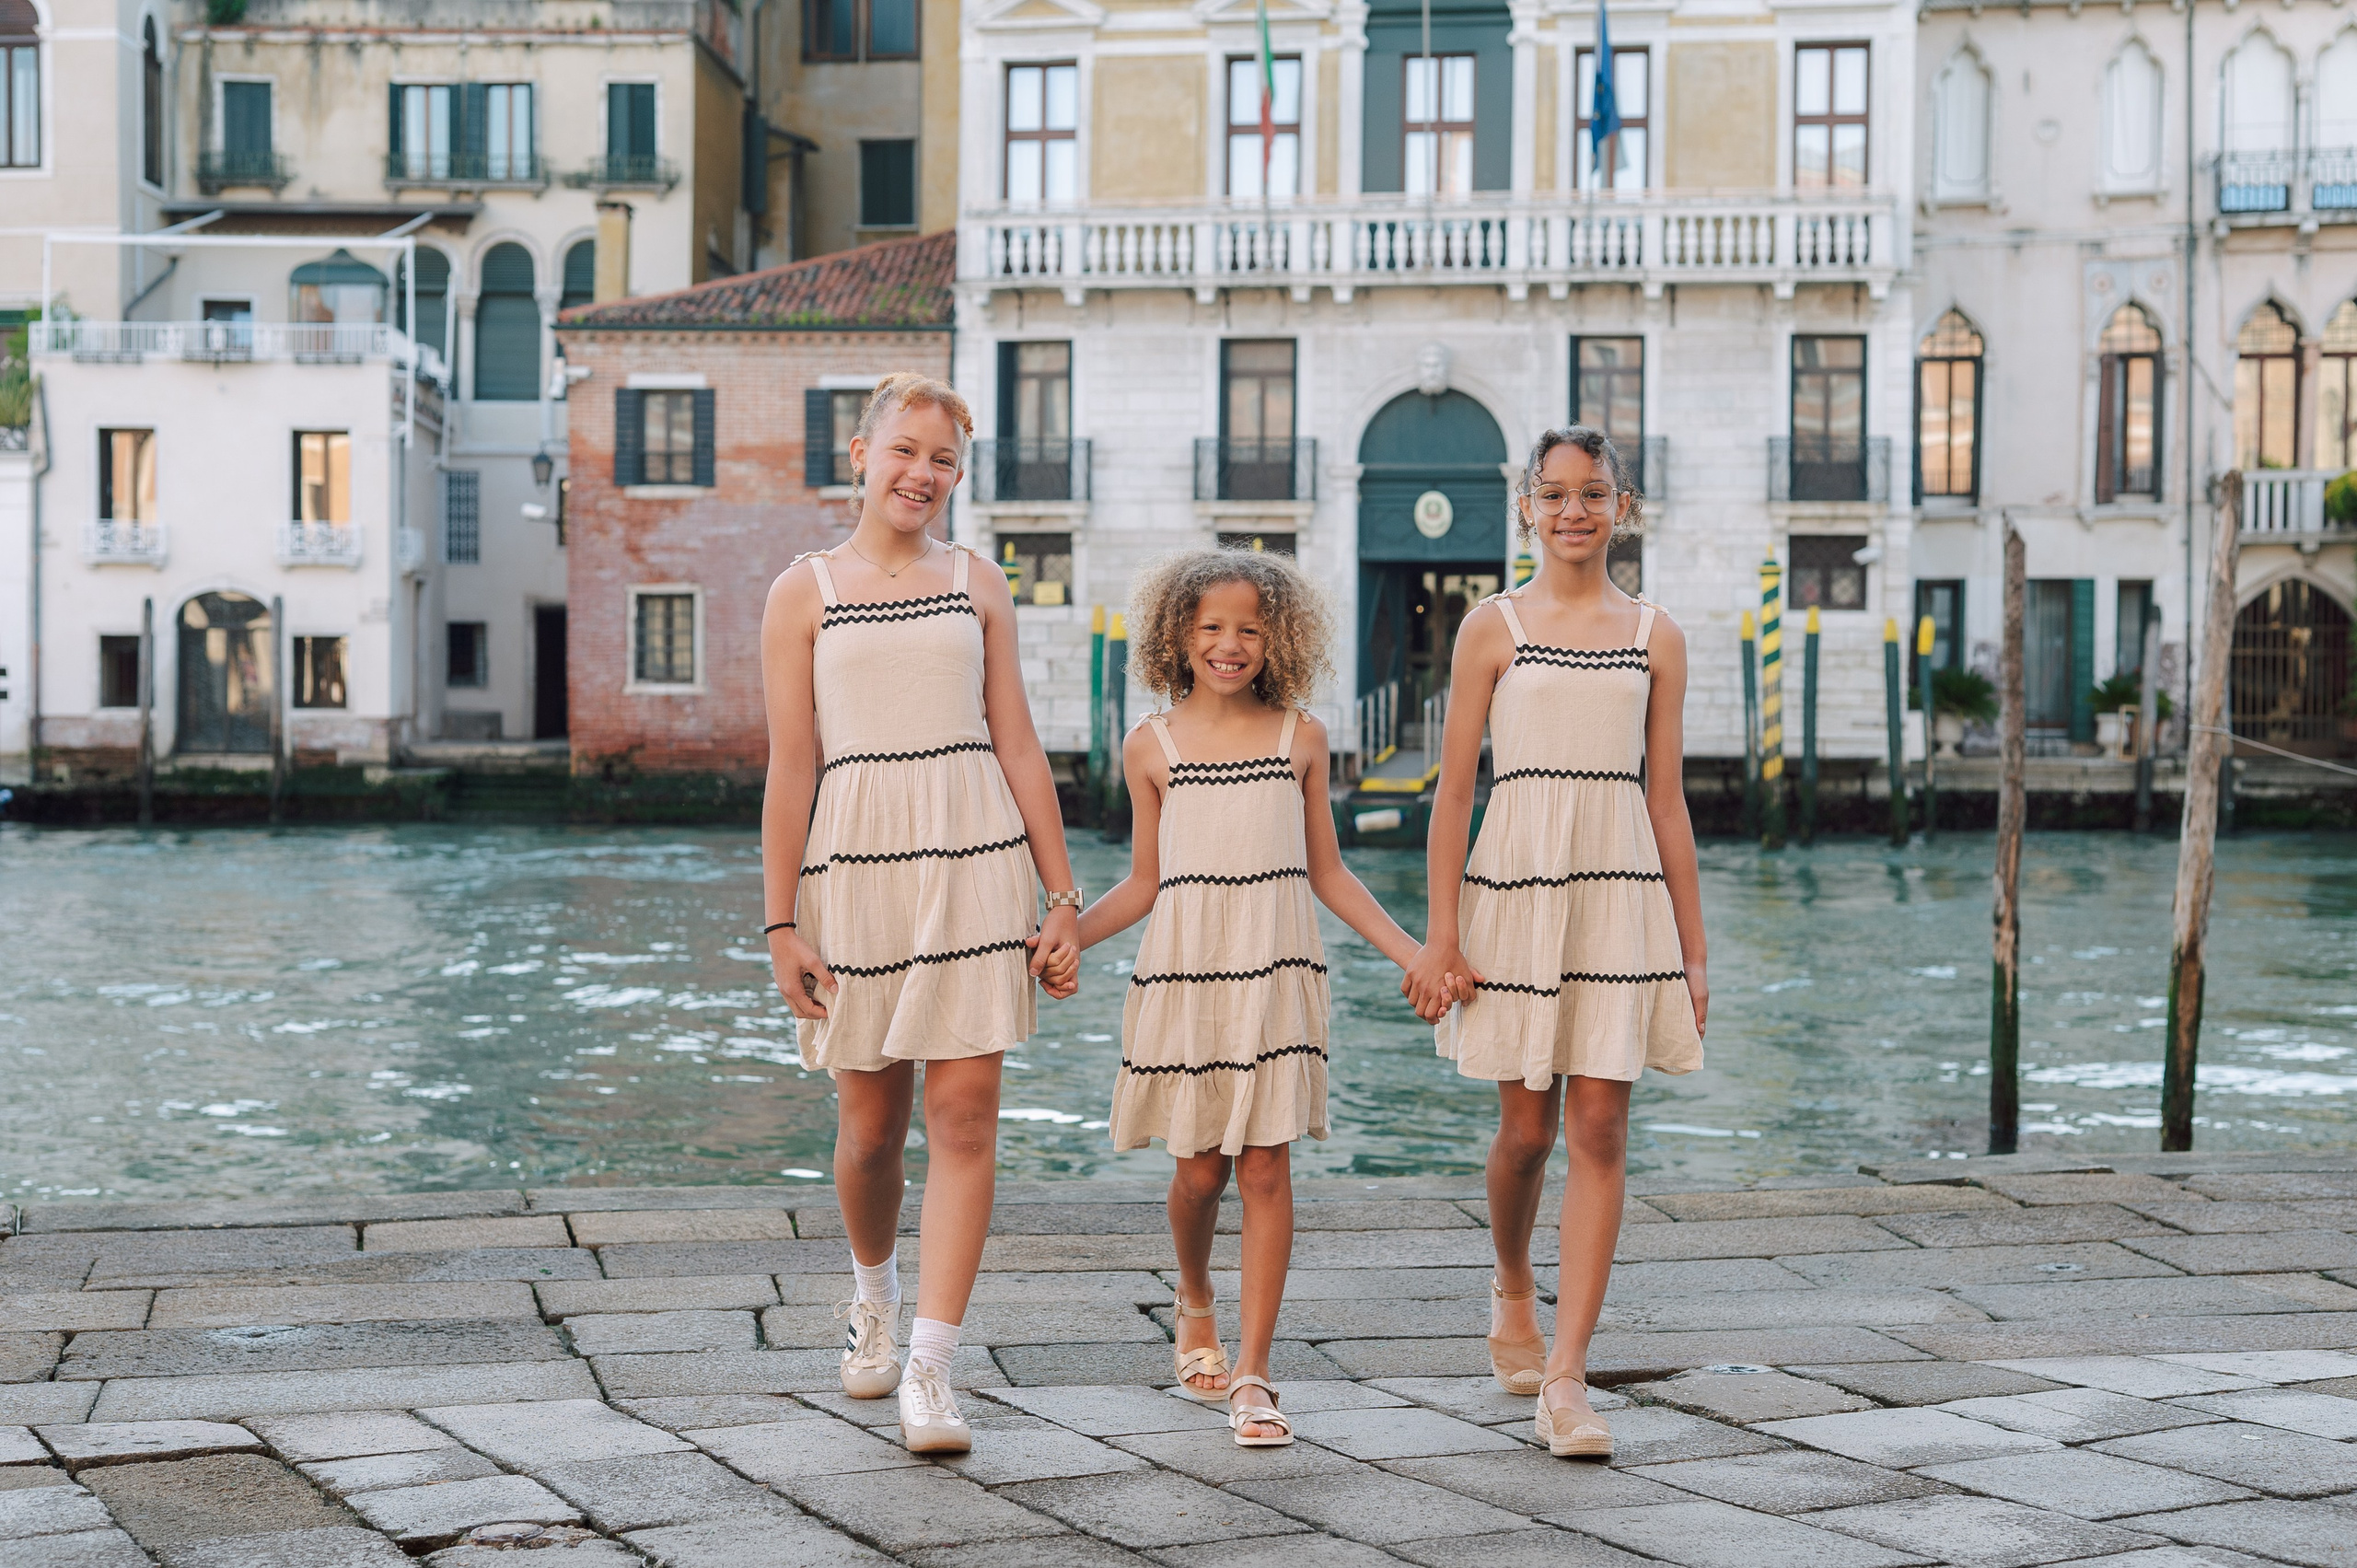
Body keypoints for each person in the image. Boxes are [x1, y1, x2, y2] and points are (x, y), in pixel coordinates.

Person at [758, 372, 1082, 1457]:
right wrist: (779, 924)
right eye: (905, 449)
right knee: (869, 1129)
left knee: (967, 1116)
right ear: (861, 452)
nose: (922, 473)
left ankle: (933, 1370)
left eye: (943, 459)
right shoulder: (801, 591)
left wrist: (1062, 896)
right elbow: (791, 766)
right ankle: (873, 1297)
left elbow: (1017, 741)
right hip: (853, 868)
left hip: (975, 857)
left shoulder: (977, 580)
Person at [1402, 425, 1709, 1460]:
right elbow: (1453, 793)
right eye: (1555, 492)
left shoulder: (1656, 634)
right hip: (1515, 887)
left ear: (1622, 505)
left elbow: (1667, 802)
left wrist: (1693, 952)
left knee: (1602, 1126)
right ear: (1526, 505)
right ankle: (1511, 1280)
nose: (1573, 510)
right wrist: (1441, 934)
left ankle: (1569, 1376)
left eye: (1593, 492)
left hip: (1621, 891)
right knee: (1526, 1130)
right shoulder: (1490, 628)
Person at [1076, 548, 1428, 1447]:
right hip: (1186, 976)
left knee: (1268, 1167)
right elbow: (1143, 882)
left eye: (1249, 629)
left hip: (1276, 976)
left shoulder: (1299, 737)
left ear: (1279, 639)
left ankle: (1256, 1372)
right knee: (1198, 1173)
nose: (1228, 644)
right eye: (1210, 628)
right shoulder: (1150, 746)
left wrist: (1416, 952)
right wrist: (1065, 934)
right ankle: (1194, 1295)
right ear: (1177, 636)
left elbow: (1330, 874)